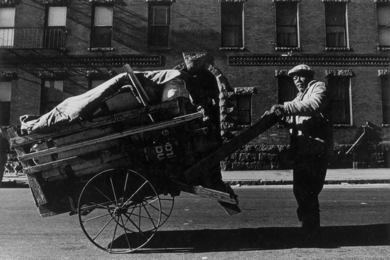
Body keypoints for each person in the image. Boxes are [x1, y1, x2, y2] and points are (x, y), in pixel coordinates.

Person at [270, 64, 333, 235]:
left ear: (309, 75)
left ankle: (311, 227)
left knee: (310, 189)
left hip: (316, 149)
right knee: (300, 189)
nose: (296, 80)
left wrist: (285, 107)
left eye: (300, 76)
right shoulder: (300, 96)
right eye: (294, 77)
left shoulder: (318, 87)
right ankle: (308, 221)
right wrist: (279, 118)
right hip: (302, 150)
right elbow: (297, 120)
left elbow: (314, 106)